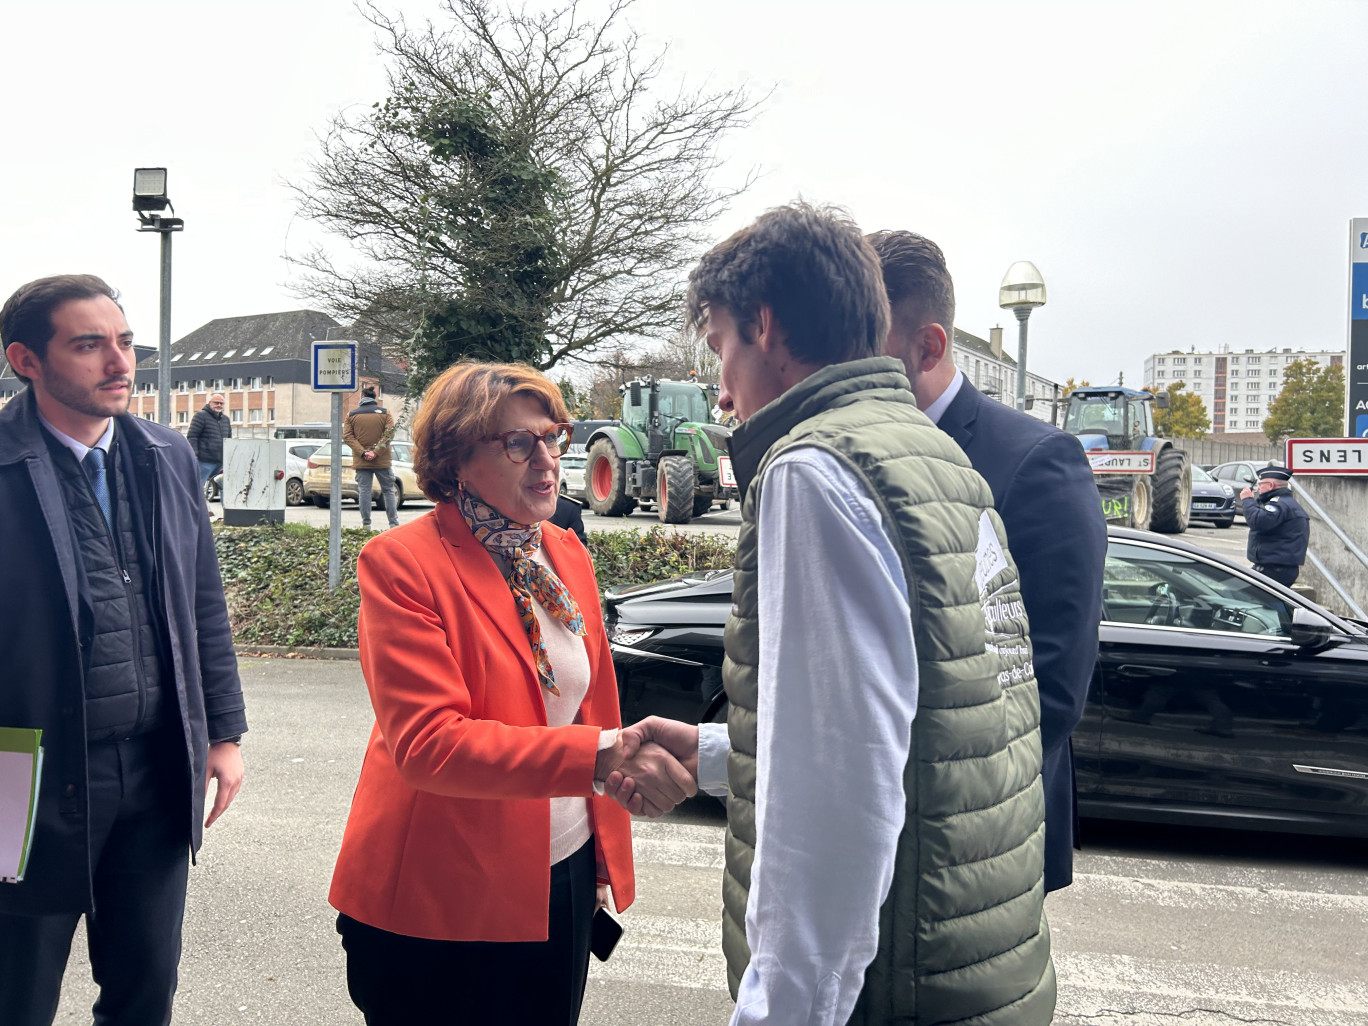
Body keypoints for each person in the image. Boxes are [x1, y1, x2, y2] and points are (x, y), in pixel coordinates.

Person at [609, 204, 1055, 1025]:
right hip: (972, 968)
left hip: (887, 991)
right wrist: (722, 753)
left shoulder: (813, 471)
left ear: (766, 326)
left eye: (719, 347)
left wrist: (780, 1013)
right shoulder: (925, 450)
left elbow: (838, 803)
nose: (720, 386)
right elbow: (921, 727)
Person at [328, 361, 695, 1026]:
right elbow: (430, 745)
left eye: (554, 437)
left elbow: (588, 706)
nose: (547, 459)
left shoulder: (562, 550)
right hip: (439, 897)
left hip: (562, 875)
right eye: (518, 443)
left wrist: (611, 801)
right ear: (455, 457)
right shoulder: (403, 564)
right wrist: (604, 756)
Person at [0, 274, 247, 1025]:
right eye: (88, 345)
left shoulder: (166, 455)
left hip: (155, 761)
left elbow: (202, 600)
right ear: (26, 361)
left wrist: (225, 733)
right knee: (17, 988)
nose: (118, 362)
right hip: (16, 768)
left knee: (145, 989)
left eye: (125, 342)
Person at [866, 229, 1107, 893]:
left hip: (985, 841)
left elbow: (1053, 689)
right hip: (870, 838)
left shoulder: (1037, 463)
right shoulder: (853, 456)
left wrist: (910, 790)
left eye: (865, 349)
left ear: (929, 346)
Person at [342, 385, 400, 530]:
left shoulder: (352, 415)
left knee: (364, 492)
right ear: (375, 398)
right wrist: (376, 451)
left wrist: (363, 452)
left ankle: (366, 525)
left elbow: (347, 437)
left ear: (362, 397)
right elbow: (389, 434)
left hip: (362, 461)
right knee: (388, 491)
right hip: (382, 461)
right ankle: (393, 524)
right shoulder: (386, 413)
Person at [1240, 465, 1309, 586]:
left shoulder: (1280, 504)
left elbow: (1259, 521)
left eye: (1261, 484)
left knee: (1236, 594)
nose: (1258, 488)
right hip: (1272, 567)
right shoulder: (1283, 503)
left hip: (1275, 569)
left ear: (1270, 485)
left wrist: (1247, 500)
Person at [186, 391, 231, 496]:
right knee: (197, 488)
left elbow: (229, 440)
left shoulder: (226, 420)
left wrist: (228, 458)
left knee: (226, 489)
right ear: (210, 403)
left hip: (221, 463)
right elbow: (192, 437)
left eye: (221, 403)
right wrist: (194, 456)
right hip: (204, 461)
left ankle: (228, 512)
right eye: (216, 403)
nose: (219, 405)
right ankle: (196, 512)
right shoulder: (200, 416)